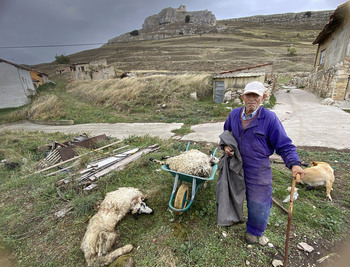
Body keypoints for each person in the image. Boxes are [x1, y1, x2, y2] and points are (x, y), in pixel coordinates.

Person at [222, 81, 304, 244]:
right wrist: (225, 146)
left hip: (258, 167)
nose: (251, 99)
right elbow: (226, 133)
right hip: (235, 163)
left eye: (256, 95)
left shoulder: (269, 119)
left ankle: (254, 231)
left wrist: (294, 163)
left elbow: (284, 144)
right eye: (248, 95)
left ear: (263, 98)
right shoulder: (233, 115)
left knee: (259, 201)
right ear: (243, 97)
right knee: (230, 193)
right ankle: (231, 218)